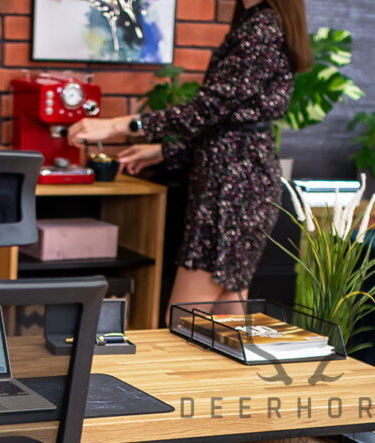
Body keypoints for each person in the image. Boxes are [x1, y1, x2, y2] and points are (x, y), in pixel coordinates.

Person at [67, 0, 310, 316]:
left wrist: (117, 125)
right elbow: (229, 122)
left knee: (182, 322)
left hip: (232, 188)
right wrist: (163, 151)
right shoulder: (260, 22)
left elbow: (207, 110)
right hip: (241, 180)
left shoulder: (261, 27)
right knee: (224, 321)